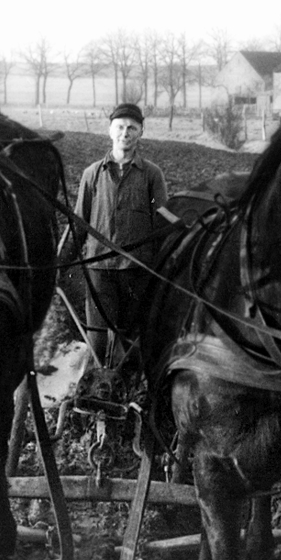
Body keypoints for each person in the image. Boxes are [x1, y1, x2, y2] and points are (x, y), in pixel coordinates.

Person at [64, 102, 168, 366]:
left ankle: (128, 397)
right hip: (100, 269)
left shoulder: (152, 175)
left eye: (132, 127)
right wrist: (61, 263)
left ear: (141, 133)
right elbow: (78, 223)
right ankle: (93, 392)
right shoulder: (92, 174)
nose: (126, 132)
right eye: (120, 127)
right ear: (110, 131)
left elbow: (163, 224)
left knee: (131, 341)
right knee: (97, 341)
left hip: (137, 270)